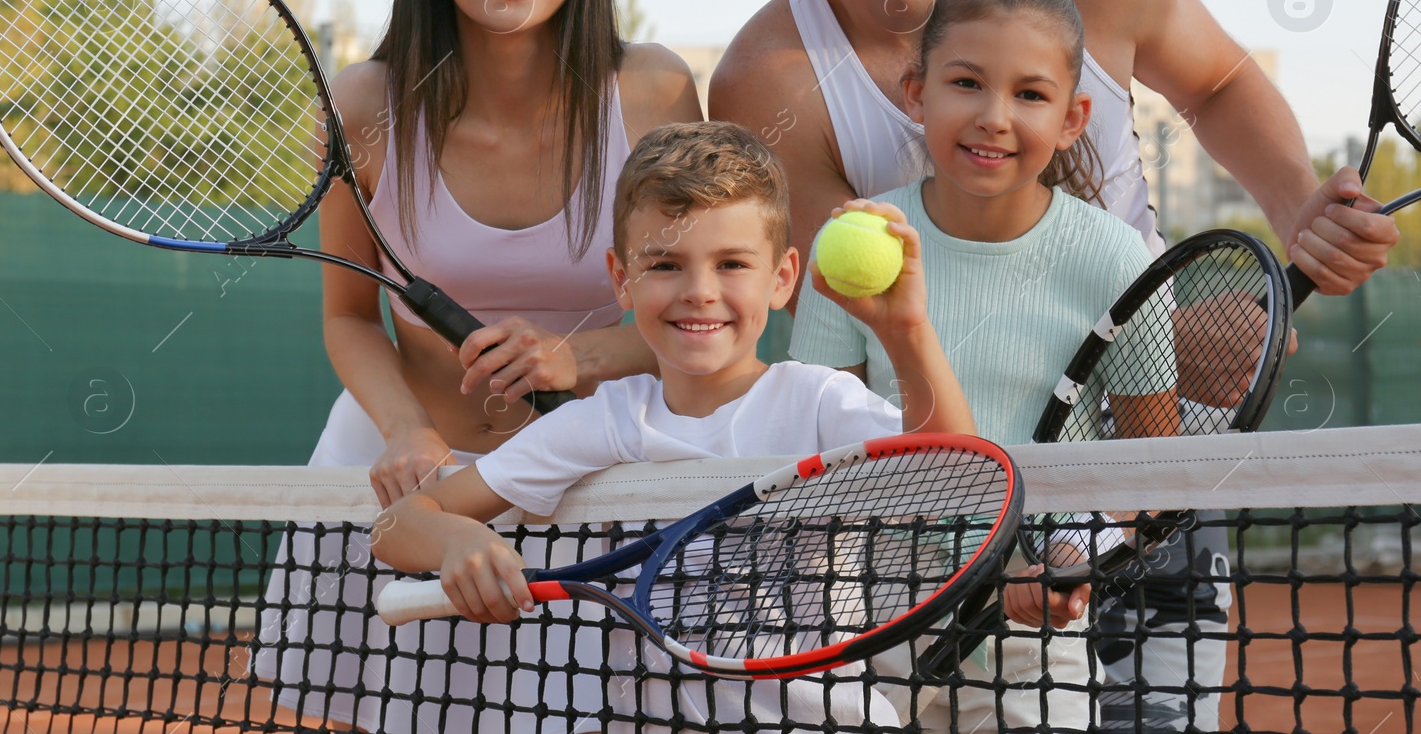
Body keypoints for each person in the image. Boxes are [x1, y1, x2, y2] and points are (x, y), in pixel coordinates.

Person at [709, 0, 1401, 731]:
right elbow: (858, 334)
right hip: (935, 512)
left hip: (1146, 462)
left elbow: (1214, 84)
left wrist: (1299, 207)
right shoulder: (767, 82)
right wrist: (1160, 343)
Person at [254, 0, 701, 731]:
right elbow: (349, 315)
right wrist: (405, 430)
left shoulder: (654, 92)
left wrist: (579, 360)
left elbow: (702, 314)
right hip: (401, 483)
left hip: (594, 488)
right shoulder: (364, 104)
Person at [372, 120, 976, 733]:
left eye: (732, 263)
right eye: (665, 265)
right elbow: (397, 526)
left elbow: (959, 478)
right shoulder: (608, 421)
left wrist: (905, 333)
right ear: (621, 279)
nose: (700, 293)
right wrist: (455, 542)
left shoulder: (817, 402)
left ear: (783, 278)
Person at [791, 0, 1172, 730]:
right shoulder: (855, 243)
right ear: (916, 92)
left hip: (1036, 630)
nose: (995, 116)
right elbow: (814, 438)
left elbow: (1151, 464)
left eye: (1030, 94)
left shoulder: (1116, 260)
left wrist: (1071, 552)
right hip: (874, 611)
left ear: (1072, 117)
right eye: (966, 83)